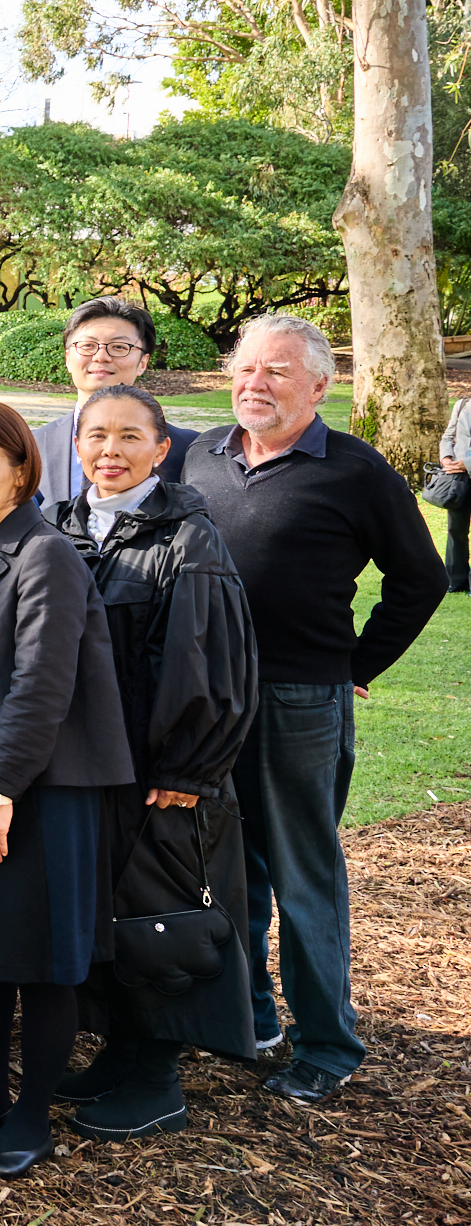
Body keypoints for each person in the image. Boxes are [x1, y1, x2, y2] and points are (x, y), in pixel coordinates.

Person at [180, 315, 447, 1104]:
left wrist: (356, 665)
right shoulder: (199, 454)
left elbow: (420, 580)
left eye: (277, 372)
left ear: (319, 386)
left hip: (298, 698)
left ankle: (326, 1045)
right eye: (244, 369)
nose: (254, 383)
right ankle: (247, 1018)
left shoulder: (355, 470)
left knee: (302, 876)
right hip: (204, 701)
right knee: (224, 871)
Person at [0, 398, 134, 1178]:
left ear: (19, 471)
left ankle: (33, 1118)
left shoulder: (45, 554)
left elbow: (41, 681)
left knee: (42, 960)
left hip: (37, 793)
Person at [47, 383, 261, 1140]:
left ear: (161, 448)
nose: (109, 450)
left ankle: (156, 1075)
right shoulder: (59, 528)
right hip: (84, 770)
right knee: (105, 910)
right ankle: (118, 1050)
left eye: (128, 436)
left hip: (160, 770)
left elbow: (212, 663)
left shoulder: (186, 540)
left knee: (156, 916)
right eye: (94, 435)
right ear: (75, 447)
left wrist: (186, 768)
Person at [32, 297, 196, 508]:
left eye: (119, 347)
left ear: (142, 363)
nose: (101, 356)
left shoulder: (188, 449)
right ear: (67, 358)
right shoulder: (32, 446)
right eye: (88, 345)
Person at [441, 392, 471, 594]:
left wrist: (467, 464)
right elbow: (447, 436)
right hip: (459, 480)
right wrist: (446, 457)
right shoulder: (461, 405)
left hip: (466, 468)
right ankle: (456, 580)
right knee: (456, 529)